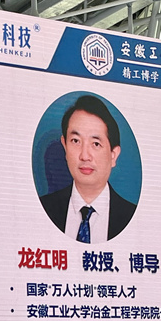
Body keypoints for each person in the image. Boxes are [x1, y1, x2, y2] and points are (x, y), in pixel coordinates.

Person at [40, 95, 137, 242]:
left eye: (96, 144)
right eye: (76, 141)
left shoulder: (133, 217)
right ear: (65, 146)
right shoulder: (43, 208)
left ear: (113, 155)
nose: (85, 156)